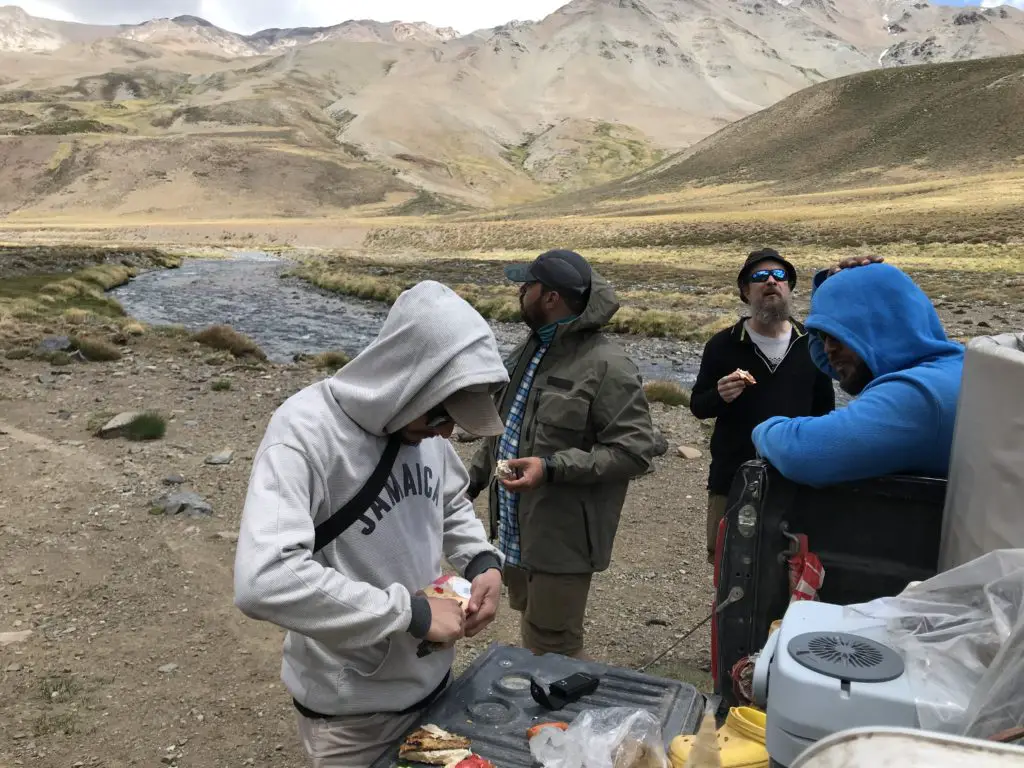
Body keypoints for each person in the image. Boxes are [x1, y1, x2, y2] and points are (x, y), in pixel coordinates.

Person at [233, 280, 509, 768]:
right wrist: (410, 615)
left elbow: (449, 501)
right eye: (443, 414)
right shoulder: (303, 434)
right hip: (351, 712)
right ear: (408, 379)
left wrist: (482, 561)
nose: (448, 431)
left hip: (434, 683)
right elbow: (264, 580)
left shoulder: (424, 430)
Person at [467, 249, 657, 660]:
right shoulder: (530, 350)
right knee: (533, 626)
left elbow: (635, 451)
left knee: (554, 645)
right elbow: (505, 430)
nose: (520, 292)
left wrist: (552, 469)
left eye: (527, 285)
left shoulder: (608, 366)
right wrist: (469, 485)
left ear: (550, 298)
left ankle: (562, 722)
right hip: (516, 527)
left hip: (563, 538)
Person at [751, 260, 965, 487]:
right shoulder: (956, 367)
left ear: (876, 325)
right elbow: (827, 359)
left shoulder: (920, 396)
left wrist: (763, 429)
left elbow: (801, 452)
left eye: (837, 335)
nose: (827, 348)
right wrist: (830, 288)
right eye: (823, 337)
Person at [689, 248, 835, 563]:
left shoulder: (811, 343)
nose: (770, 281)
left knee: (789, 568)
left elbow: (825, 414)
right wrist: (719, 396)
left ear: (789, 287)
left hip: (796, 480)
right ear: (745, 291)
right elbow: (698, 406)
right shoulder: (723, 344)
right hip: (732, 480)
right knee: (729, 568)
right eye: (759, 277)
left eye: (779, 275)